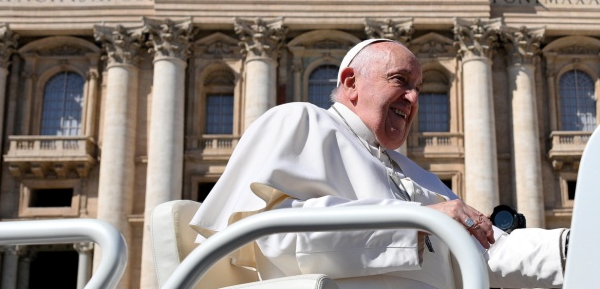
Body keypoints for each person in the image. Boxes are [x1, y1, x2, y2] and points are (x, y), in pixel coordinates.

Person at [191, 39, 568, 288]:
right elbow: (270, 237)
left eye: (418, 87)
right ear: (351, 82)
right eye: (400, 80)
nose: (413, 97)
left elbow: (491, 251)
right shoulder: (301, 122)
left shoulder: (416, 173)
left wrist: (573, 247)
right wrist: (419, 222)